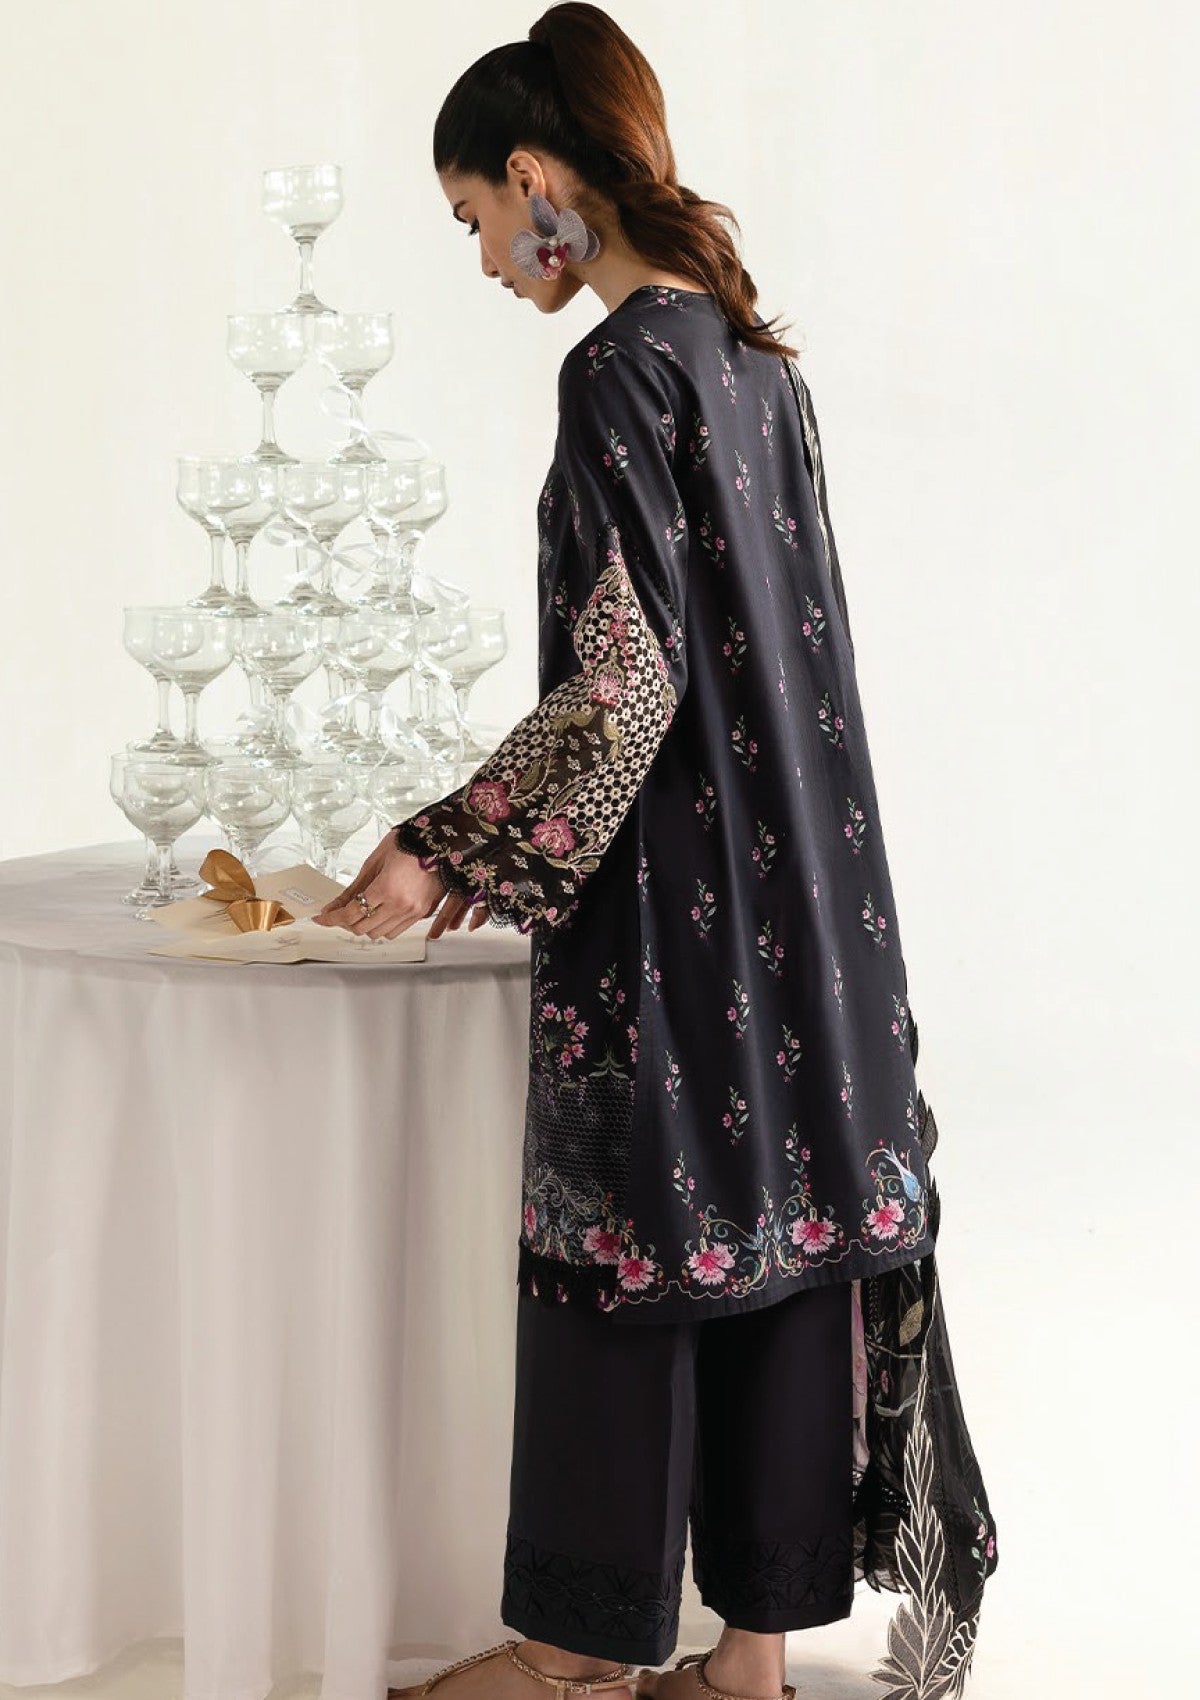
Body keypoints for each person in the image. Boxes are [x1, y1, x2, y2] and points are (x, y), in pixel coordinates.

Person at [313, 7, 998, 1698]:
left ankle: (571, 1659)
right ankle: (748, 1666)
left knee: (626, 1248)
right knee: (778, 1245)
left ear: (535, 176)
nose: (487, 259)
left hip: (677, 906)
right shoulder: (760, 363)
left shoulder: (619, 371)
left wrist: (441, 847)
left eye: (475, 216)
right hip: (813, 901)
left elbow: (626, 683)